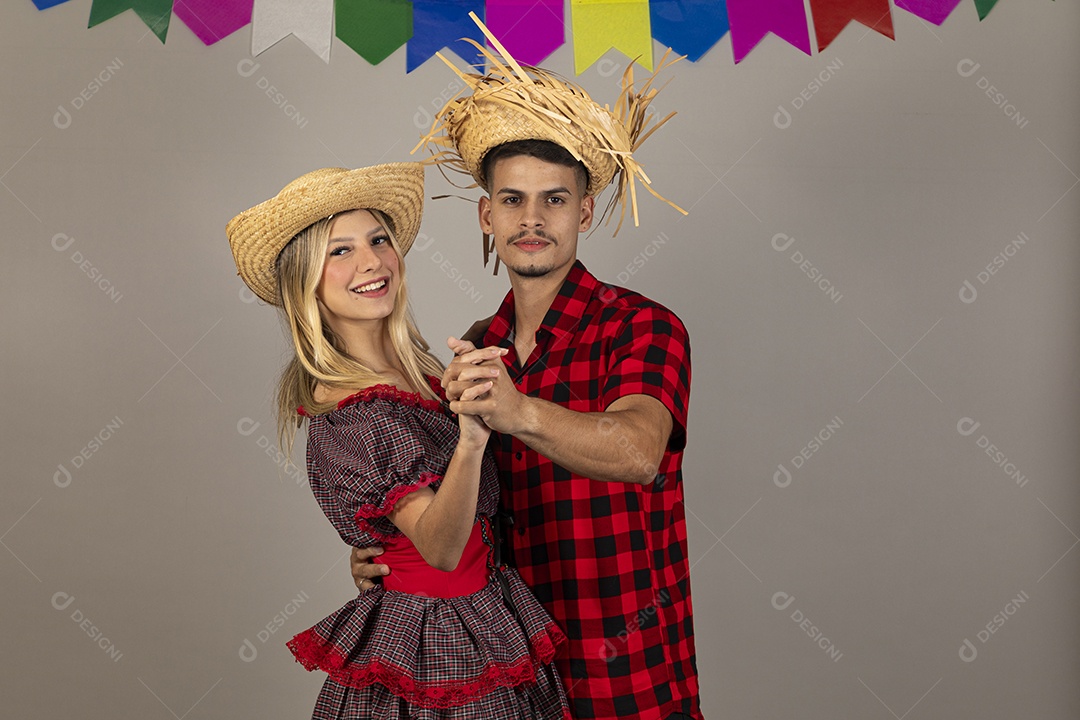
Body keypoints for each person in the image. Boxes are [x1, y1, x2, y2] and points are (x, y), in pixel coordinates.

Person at [353, 19, 703, 720]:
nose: (532, 219)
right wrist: (402, 552)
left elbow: (637, 451)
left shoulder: (643, 326)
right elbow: (456, 509)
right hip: (506, 673)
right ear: (486, 216)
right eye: (512, 200)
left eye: (555, 199)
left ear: (587, 211)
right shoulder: (480, 350)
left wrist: (517, 412)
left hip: (624, 669)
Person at [225, 163, 570, 720]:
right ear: (305, 284)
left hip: (485, 610)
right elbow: (440, 548)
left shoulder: (426, 374)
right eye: (339, 251)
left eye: (378, 239)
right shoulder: (357, 412)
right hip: (435, 639)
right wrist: (471, 439)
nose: (370, 262)